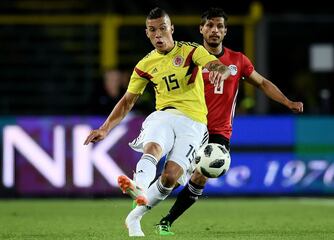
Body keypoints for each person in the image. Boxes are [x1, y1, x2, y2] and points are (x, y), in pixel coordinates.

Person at [83, 7, 230, 237]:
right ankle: (139, 186)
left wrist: (220, 70)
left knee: (170, 177)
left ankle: (134, 218)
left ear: (171, 28)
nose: (158, 34)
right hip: (164, 115)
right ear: (147, 34)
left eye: (162, 28)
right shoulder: (145, 65)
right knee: (153, 148)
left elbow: (213, 64)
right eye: (153, 30)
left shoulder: (192, 51)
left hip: (193, 123)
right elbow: (127, 101)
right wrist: (105, 128)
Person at [156, 7, 304, 236]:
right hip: (190, 125)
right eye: (210, 26)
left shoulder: (238, 60)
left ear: (225, 32)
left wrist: (287, 102)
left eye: (220, 26)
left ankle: (167, 221)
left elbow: (262, 83)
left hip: (219, 131)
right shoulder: (189, 58)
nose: (215, 30)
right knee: (171, 177)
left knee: (200, 175)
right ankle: (143, 200)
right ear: (201, 29)